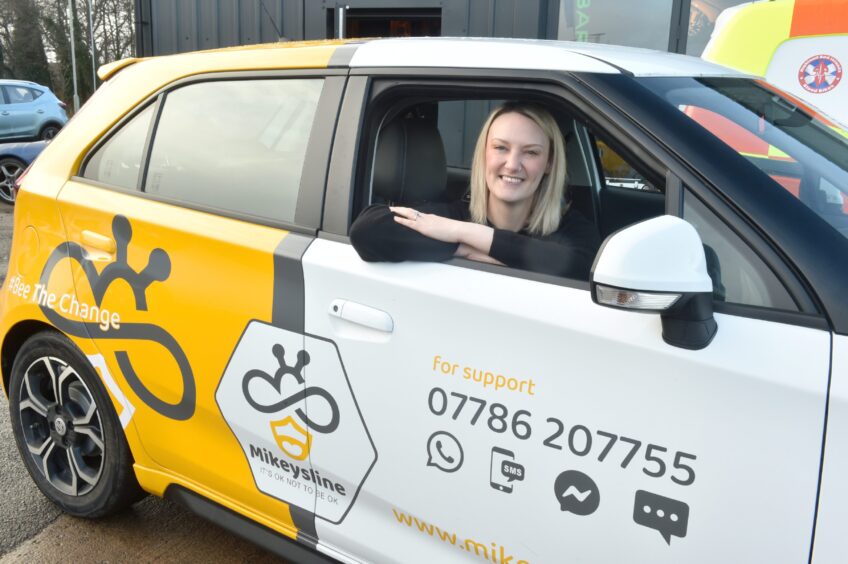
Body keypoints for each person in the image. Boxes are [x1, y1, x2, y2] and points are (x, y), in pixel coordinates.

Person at [350, 102, 600, 279]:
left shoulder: (572, 228)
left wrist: (464, 233)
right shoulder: (452, 213)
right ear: (484, 155)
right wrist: (466, 248)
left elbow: (582, 267)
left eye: (531, 152)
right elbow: (368, 231)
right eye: (501, 148)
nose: (512, 165)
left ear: (549, 163)